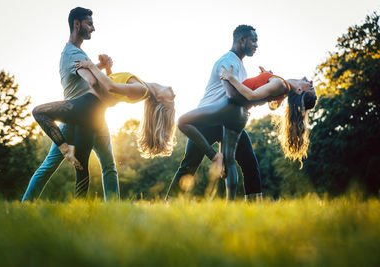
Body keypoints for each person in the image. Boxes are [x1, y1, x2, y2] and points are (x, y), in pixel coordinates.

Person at [31, 55, 176, 198]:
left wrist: (91, 65)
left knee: (38, 112)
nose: (173, 94)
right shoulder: (141, 87)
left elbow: (111, 87)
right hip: (93, 114)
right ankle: (78, 209)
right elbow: (111, 90)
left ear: (159, 99)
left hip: (86, 106)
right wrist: (107, 69)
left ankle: (64, 148)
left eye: (171, 99)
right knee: (81, 169)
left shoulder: (141, 90)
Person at [177, 65, 317, 200]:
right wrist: (266, 77)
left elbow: (251, 95)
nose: (310, 81)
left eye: (310, 86)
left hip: (231, 110)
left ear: (299, 90)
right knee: (233, 161)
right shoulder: (282, 88)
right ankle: (236, 204)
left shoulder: (280, 85)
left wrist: (230, 78)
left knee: (184, 125)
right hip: (238, 115)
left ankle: (214, 159)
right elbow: (272, 105)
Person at [22, 7, 118, 202]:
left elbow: (92, 79)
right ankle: (26, 204)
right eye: (89, 24)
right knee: (56, 166)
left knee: (106, 167)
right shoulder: (72, 54)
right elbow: (92, 81)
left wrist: (103, 67)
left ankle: (114, 210)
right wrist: (101, 68)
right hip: (75, 118)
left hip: (94, 117)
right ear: (77, 24)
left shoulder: (78, 54)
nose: (93, 28)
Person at [165, 24, 262, 201]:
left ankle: (255, 205)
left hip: (228, 121)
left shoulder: (242, 68)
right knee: (189, 166)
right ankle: (170, 205)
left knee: (249, 162)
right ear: (242, 40)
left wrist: (260, 87)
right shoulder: (227, 61)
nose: (257, 45)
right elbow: (233, 96)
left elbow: (240, 100)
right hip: (207, 120)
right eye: (253, 40)